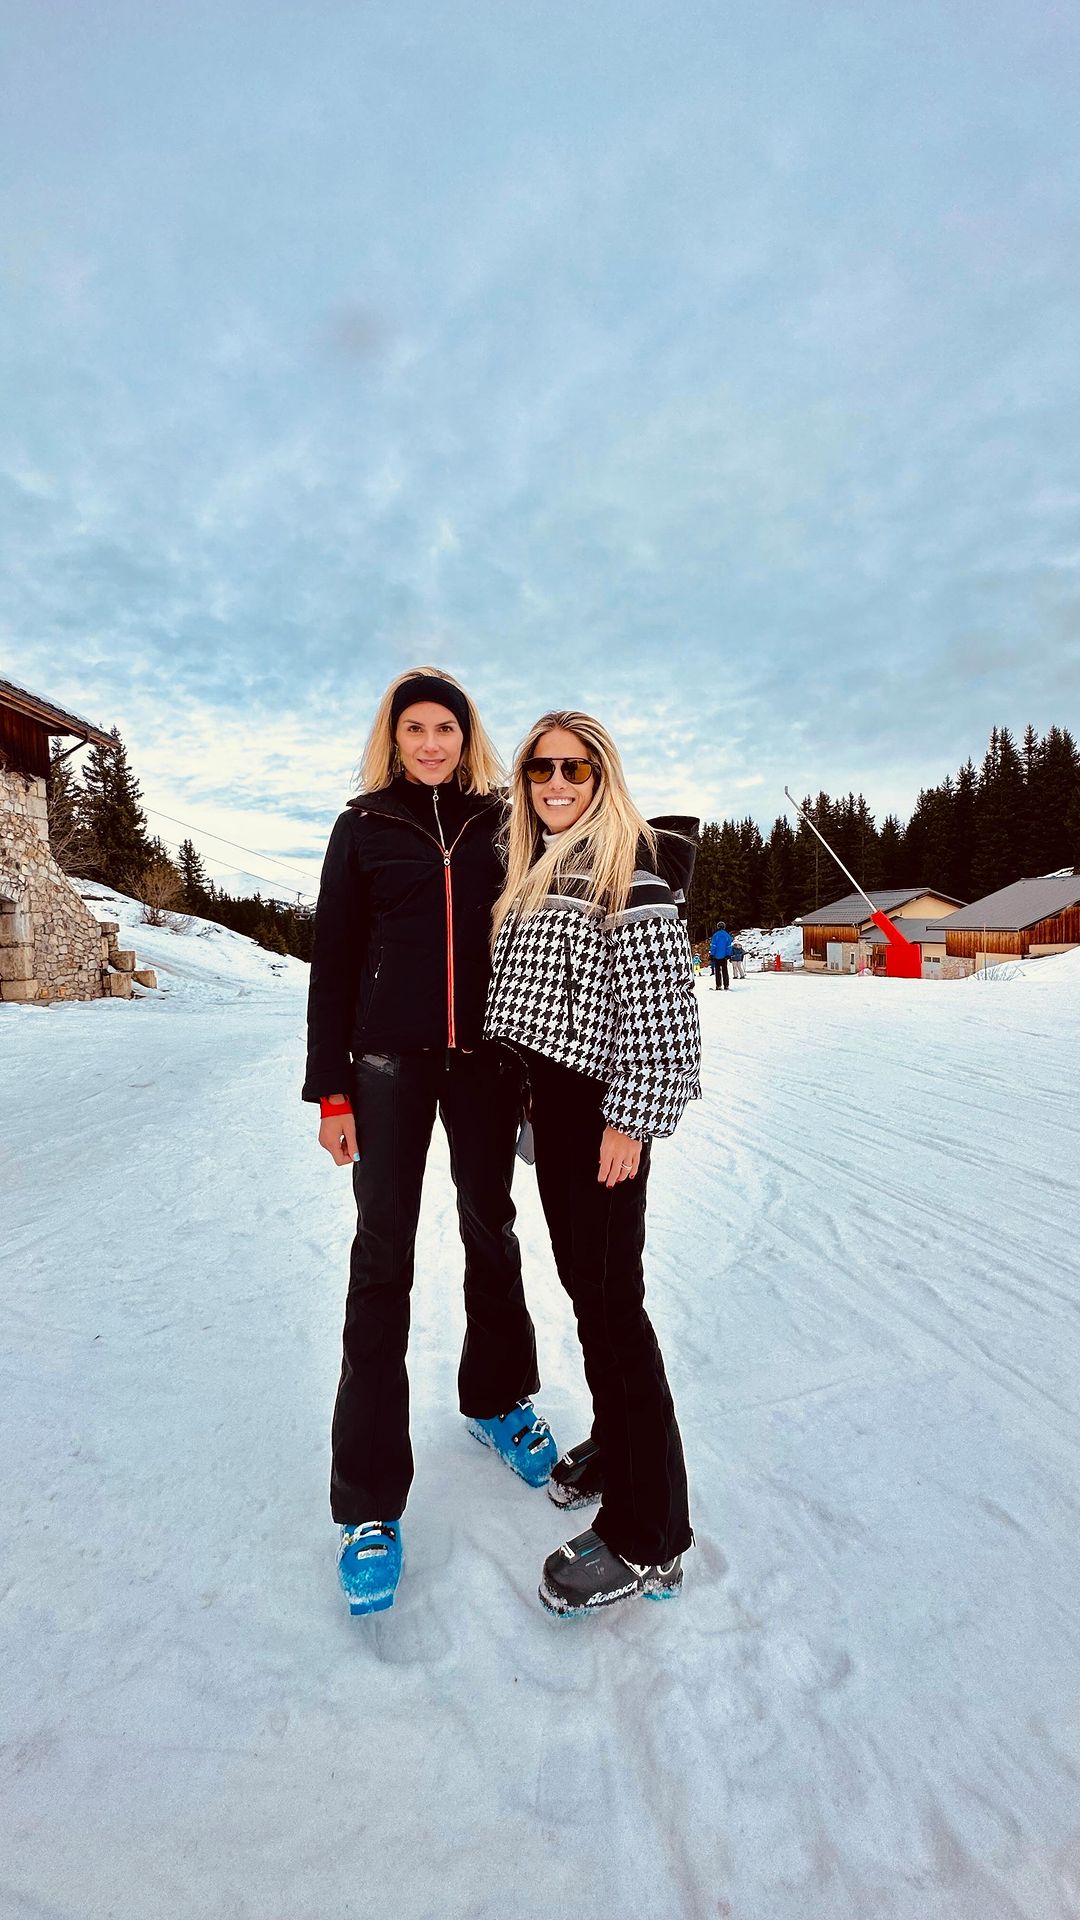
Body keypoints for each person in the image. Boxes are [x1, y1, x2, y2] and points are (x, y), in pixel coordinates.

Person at [304, 668, 557, 1617]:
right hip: (387, 1067)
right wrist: (331, 1088)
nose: (430, 742)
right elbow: (333, 959)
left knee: (492, 1227)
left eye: (444, 726)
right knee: (382, 1257)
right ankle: (368, 1501)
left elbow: (539, 936)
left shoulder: (504, 821)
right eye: (413, 727)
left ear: (466, 734)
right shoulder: (363, 826)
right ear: (394, 736)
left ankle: (497, 1399)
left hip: (487, 1062)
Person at [485, 710, 701, 1617]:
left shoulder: (628, 874)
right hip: (558, 1111)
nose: (557, 783)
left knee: (615, 1310)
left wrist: (631, 1123)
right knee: (587, 1294)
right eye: (541, 769)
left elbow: (667, 1024)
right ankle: (619, 1443)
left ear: (603, 777)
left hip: (607, 1114)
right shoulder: (539, 868)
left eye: (576, 768)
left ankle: (652, 1537)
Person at [709, 920, 733, 989]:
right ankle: (726, 985)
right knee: (725, 970)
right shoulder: (727, 935)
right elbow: (729, 946)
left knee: (717, 971)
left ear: (718, 927)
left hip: (716, 956)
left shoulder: (715, 935)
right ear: (724, 927)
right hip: (724, 956)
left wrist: (712, 954)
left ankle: (718, 985)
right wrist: (729, 954)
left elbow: (713, 946)